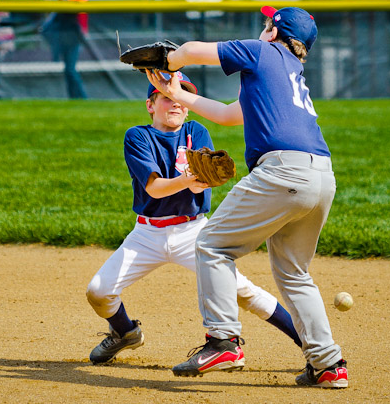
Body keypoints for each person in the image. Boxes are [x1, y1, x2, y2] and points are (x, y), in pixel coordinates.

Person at [145, 6, 348, 388]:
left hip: (283, 172)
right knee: (295, 273)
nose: (262, 26)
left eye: (267, 22)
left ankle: (223, 339)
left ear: (273, 32)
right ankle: (328, 363)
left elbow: (191, 49)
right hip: (322, 176)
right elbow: (226, 114)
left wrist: (169, 60)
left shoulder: (262, 51)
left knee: (211, 245)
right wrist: (176, 95)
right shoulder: (292, 76)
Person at [85, 71, 303, 367]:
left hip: (193, 231)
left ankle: (309, 345)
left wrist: (199, 181)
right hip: (147, 234)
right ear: (150, 105)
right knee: (98, 291)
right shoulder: (138, 136)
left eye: (180, 97)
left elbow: (204, 179)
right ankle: (126, 332)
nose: (175, 103)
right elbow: (154, 187)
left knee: (244, 291)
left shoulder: (195, 131)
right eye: (166, 96)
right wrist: (190, 179)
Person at [39, 0, 89, 99]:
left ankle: (82, 97)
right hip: (63, 34)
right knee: (67, 69)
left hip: (74, 34)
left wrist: (84, 31)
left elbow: (81, 12)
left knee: (71, 69)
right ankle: (73, 97)